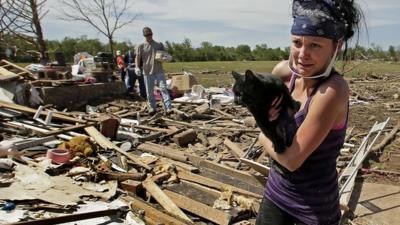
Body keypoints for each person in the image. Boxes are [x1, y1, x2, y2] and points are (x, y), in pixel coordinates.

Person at [256, 1, 363, 225]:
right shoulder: (283, 74)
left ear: (337, 47)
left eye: (315, 45)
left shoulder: (332, 91)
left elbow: (293, 159)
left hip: (312, 208)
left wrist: (262, 136)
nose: (302, 54)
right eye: (297, 42)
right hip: (276, 193)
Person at [135, 27, 172, 115]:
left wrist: (167, 57)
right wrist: (137, 67)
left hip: (159, 70)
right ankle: (152, 107)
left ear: (152, 34)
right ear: (144, 36)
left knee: (163, 88)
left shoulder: (159, 44)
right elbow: (137, 57)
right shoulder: (141, 46)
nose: (149, 36)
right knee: (149, 91)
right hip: (147, 71)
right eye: (147, 35)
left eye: (150, 34)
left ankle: (168, 107)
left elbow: (164, 55)